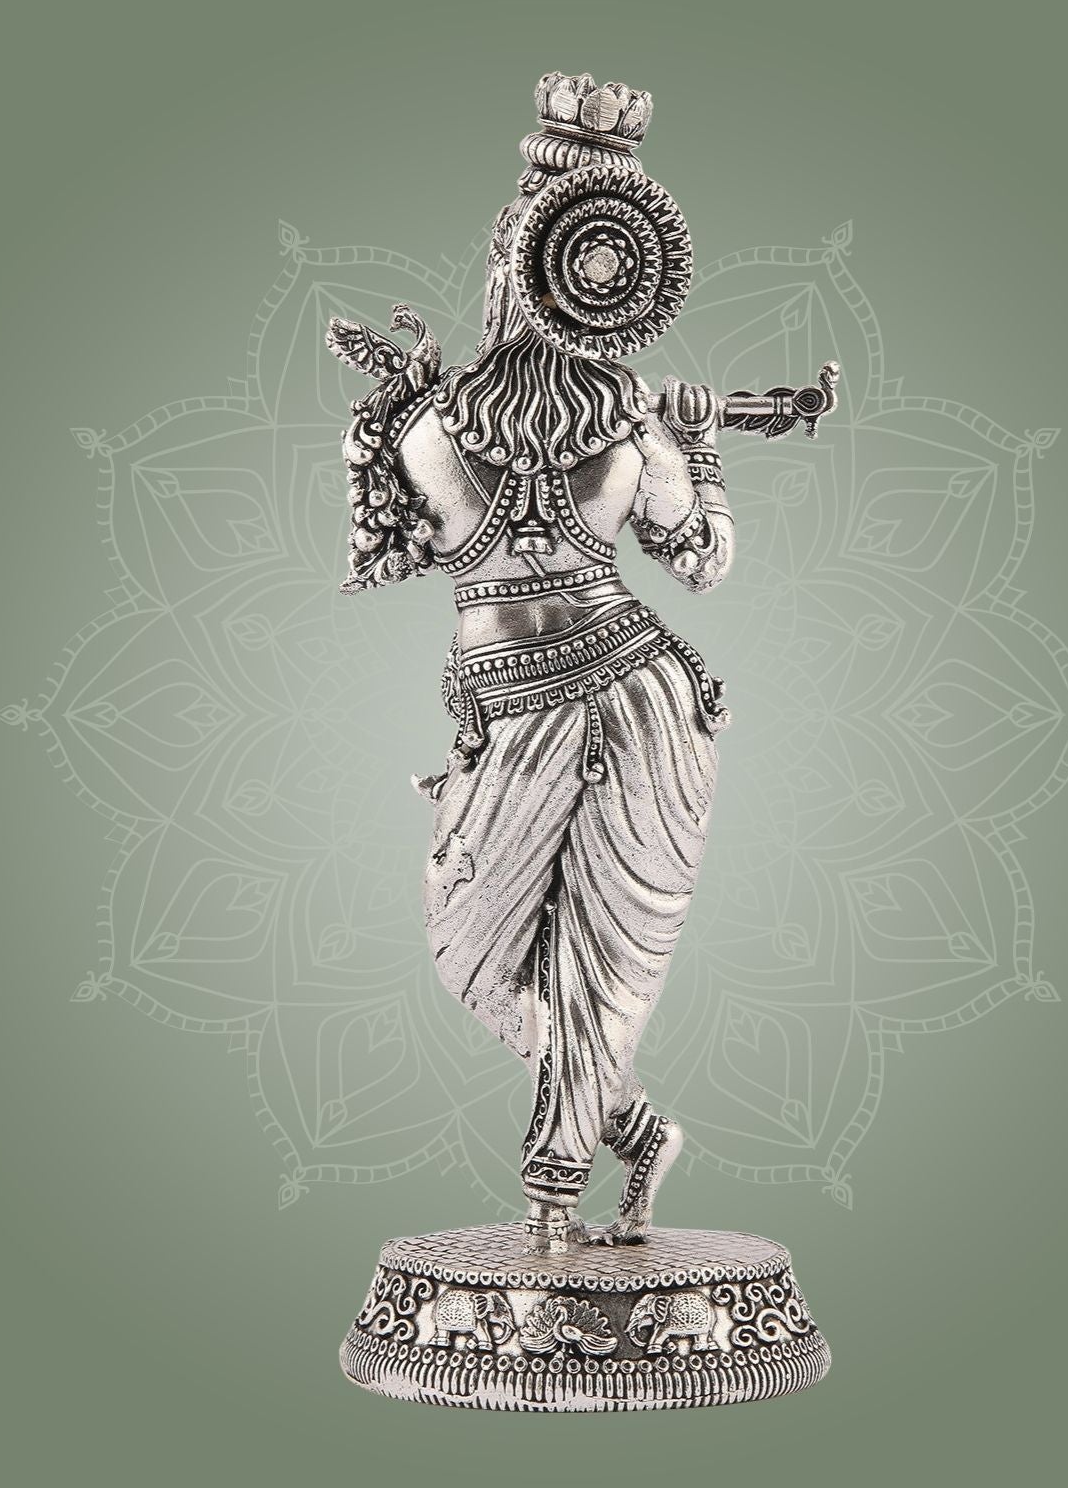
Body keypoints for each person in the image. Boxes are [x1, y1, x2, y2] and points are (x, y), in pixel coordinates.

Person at [330, 74, 733, 1254]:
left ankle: (554, 1199)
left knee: (604, 959)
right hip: (510, 711)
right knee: (469, 950)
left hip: (637, 695)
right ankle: (634, 1129)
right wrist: (700, 448)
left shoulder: (499, 420)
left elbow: (699, 569)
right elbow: (704, 553)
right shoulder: (460, 417)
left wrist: (695, 445)